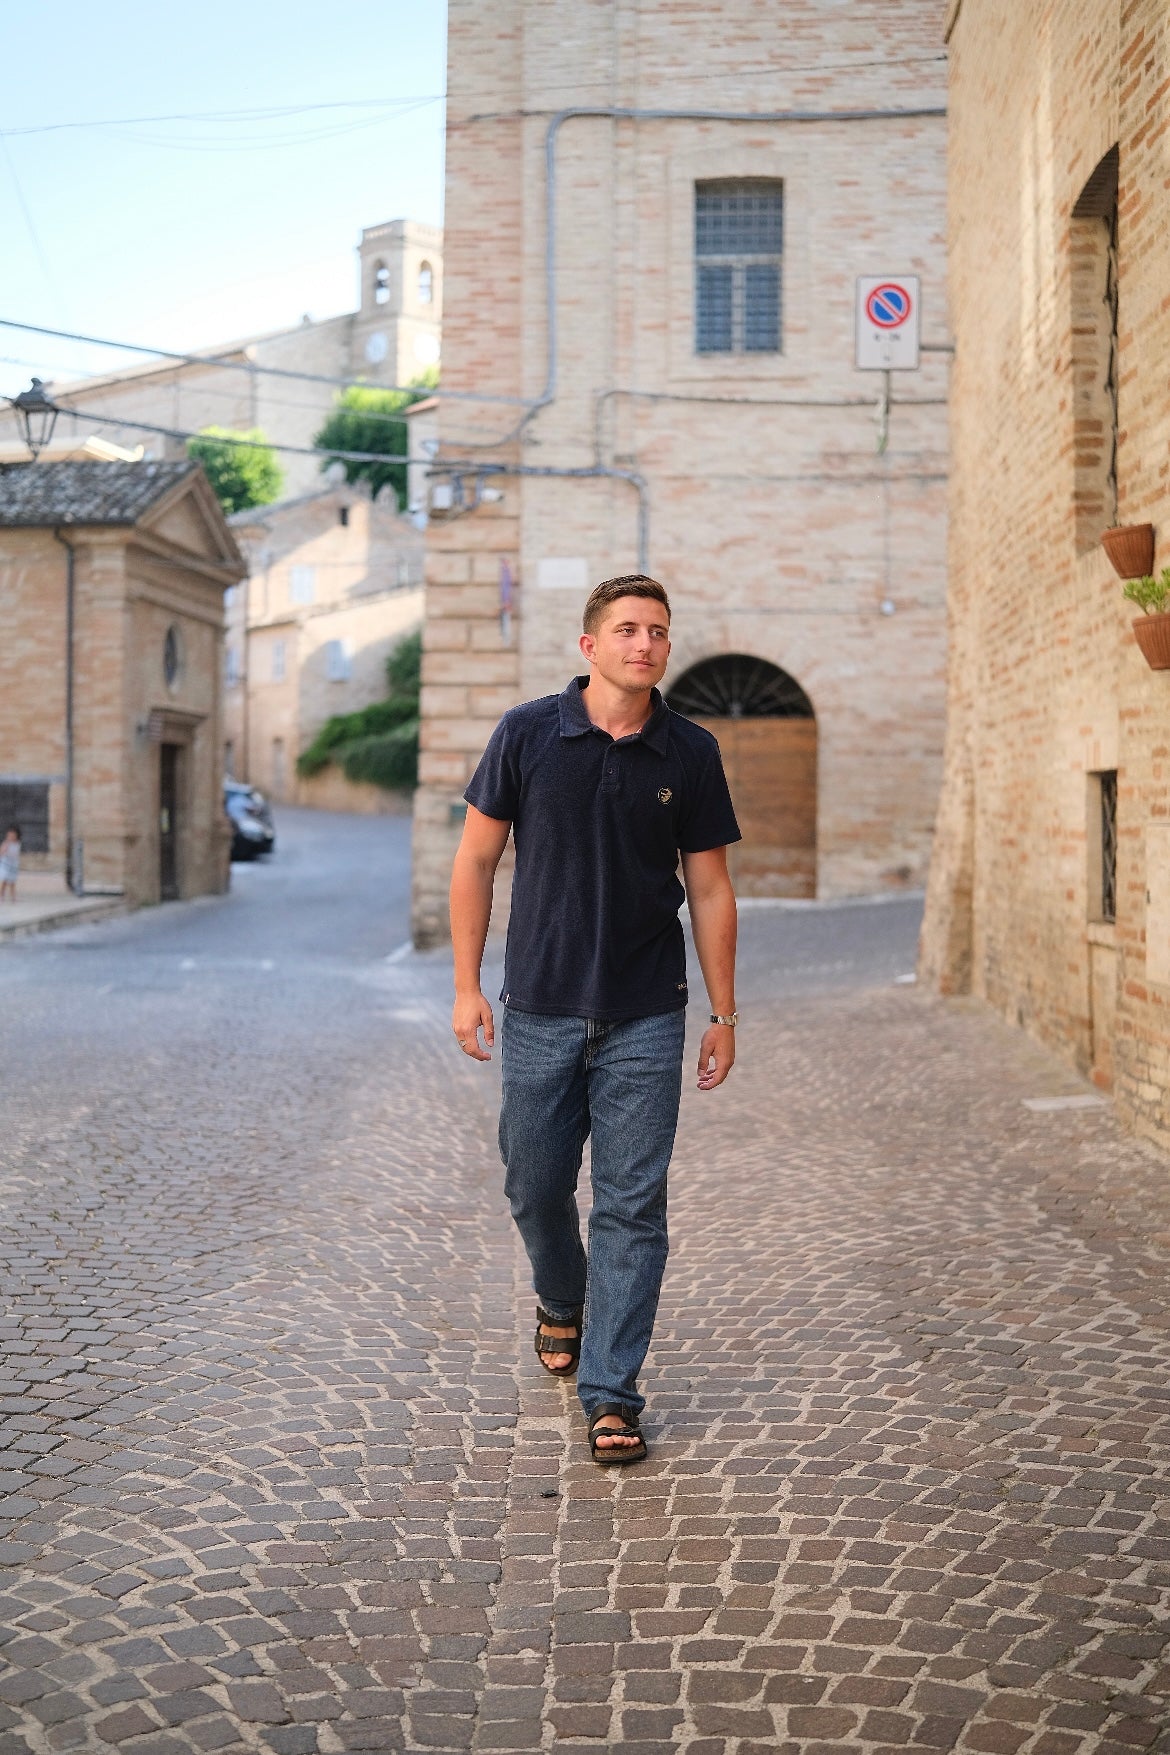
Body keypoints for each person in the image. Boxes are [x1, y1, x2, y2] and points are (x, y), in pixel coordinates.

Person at [449, 574, 740, 1465]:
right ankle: (559, 1297)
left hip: (648, 1014)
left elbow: (711, 886)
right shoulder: (529, 733)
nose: (644, 643)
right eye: (627, 629)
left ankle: (611, 1395)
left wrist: (724, 1010)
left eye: (657, 630)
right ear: (590, 646)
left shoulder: (689, 750)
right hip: (537, 1005)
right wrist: (467, 985)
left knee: (631, 1205)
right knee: (533, 1183)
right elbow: (475, 860)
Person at [0, 824, 21, 905]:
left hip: (13, 865)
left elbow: (16, 854)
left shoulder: (17, 844)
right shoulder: (6, 843)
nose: (11, 837)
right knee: (4, 881)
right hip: (6, 864)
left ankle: (13, 896)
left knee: (12, 882)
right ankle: (1, 895)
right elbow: (1, 852)